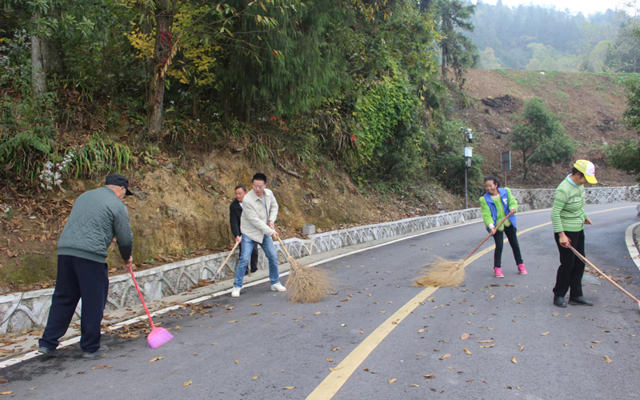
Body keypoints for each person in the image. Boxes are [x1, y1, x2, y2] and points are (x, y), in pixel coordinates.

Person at [39, 174, 134, 358]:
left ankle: (47, 343)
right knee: (93, 300)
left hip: (66, 252)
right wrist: (126, 257)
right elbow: (125, 237)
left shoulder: (84, 196)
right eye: (125, 193)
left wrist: (107, 235)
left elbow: (88, 224)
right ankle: (91, 347)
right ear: (121, 189)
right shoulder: (117, 204)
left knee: (63, 298)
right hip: (90, 256)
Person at [231, 173, 286, 297]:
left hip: (264, 232)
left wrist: (271, 220)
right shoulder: (247, 199)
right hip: (249, 233)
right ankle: (237, 286)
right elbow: (254, 220)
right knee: (244, 258)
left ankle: (275, 282)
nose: (257, 189)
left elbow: (274, 207)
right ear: (252, 185)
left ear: (265, 185)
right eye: (255, 186)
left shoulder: (269, 194)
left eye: (260, 187)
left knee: (272, 256)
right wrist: (271, 232)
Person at [551, 160, 596, 308]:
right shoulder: (564, 189)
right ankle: (559, 294)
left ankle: (576, 295)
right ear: (577, 174)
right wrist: (561, 234)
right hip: (566, 231)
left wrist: (584, 216)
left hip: (578, 229)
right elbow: (555, 214)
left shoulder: (579, 186)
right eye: (585, 179)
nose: (586, 182)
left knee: (579, 262)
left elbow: (579, 206)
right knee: (567, 264)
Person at [479, 176, 527, 278]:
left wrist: (512, 208)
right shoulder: (485, 200)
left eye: (490, 186)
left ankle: (520, 265)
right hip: (497, 226)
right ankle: (497, 269)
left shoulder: (506, 192)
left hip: (508, 222)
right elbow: (486, 215)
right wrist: (491, 226)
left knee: (515, 244)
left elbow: (512, 201)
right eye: (486, 186)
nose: (488, 188)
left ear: (496, 185)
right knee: (499, 246)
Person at [229, 185, 259, 275]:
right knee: (243, 251)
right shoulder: (233, 206)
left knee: (254, 250)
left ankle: (254, 269)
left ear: (245, 193)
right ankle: (244, 271)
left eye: (240, 193)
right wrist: (237, 235)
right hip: (242, 231)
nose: (238, 196)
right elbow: (234, 222)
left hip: (253, 229)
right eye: (236, 194)